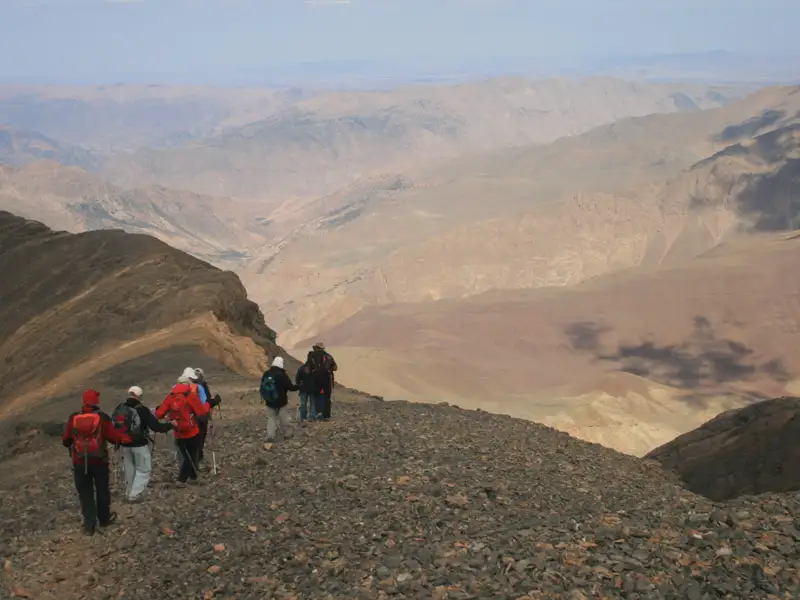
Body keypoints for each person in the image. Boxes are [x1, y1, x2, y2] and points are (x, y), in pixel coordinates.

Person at [62, 389, 126, 535]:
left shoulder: (73, 418)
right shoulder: (102, 418)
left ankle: (89, 525)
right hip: (99, 461)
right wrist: (119, 439)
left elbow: (66, 440)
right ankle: (104, 518)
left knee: (85, 493)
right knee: (102, 490)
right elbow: (113, 437)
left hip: (79, 461)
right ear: (96, 401)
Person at [155, 368, 221, 484]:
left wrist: (169, 417)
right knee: (191, 455)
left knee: (185, 455)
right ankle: (182, 479)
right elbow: (201, 412)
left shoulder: (170, 397)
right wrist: (209, 404)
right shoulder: (190, 396)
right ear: (187, 384)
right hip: (191, 430)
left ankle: (192, 476)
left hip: (178, 431)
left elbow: (159, 414)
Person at [112, 386, 174, 502]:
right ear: (139, 396)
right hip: (139, 444)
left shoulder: (120, 408)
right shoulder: (142, 410)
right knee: (144, 469)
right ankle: (134, 495)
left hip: (124, 444)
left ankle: (129, 492)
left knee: (129, 469)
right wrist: (171, 425)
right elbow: (156, 427)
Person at [260, 356, 298, 441]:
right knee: (284, 418)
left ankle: (270, 435)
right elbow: (290, 387)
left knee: (271, 418)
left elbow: (262, 386)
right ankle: (288, 433)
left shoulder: (266, 373)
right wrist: (299, 386)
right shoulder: (282, 375)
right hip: (281, 400)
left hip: (269, 400)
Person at [307, 342, 338, 420]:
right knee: (327, 397)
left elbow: (308, 368)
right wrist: (329, 369)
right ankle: (326, 415)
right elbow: (335, 368)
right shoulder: (328, 356)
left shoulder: (311, 356)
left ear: (316, 348)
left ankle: (317, 413)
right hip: (326, 379)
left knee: (316, 396)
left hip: (315, 379)